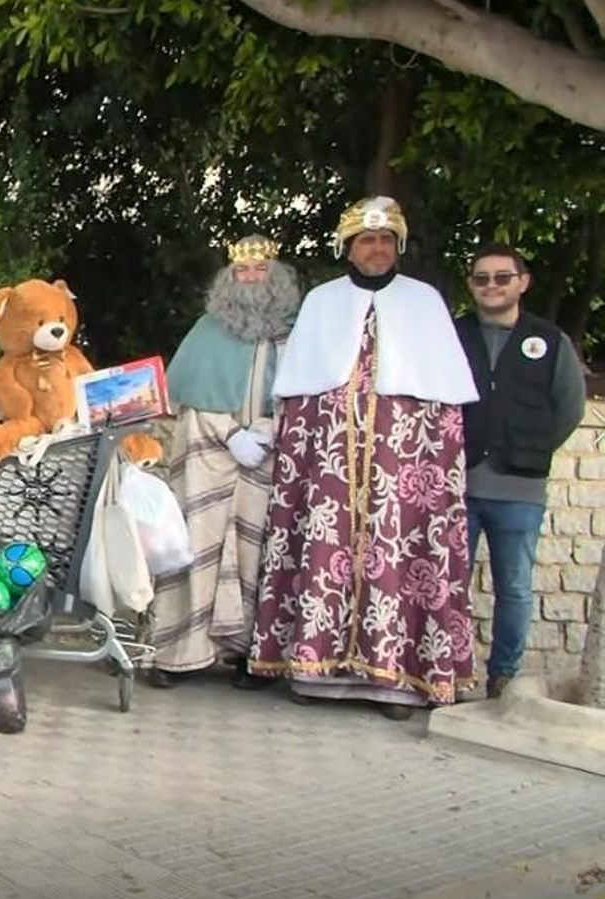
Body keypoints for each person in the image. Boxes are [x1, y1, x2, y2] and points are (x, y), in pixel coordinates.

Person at [247, 196, 480, 719]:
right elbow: (298, 396)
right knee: (320, 549)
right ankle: (313, 671)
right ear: (348, 248)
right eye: (366, 240)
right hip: (329, 465)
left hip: (402, 469)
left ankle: (395, 679)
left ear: (398, 246)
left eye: (385, 240)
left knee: (397, 560)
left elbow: (445, 409)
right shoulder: (322, 302)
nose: (376, 248)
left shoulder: (424, 302)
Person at [149, 234, 300, 689]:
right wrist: (231, 434)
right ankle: (178, 654)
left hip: (269, 456)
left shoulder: (295, 333)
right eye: (242, 270)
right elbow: (189, 398)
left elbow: (304, 398)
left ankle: (251, 656)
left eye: (260, 270)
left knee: (259, 554)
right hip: (209, 453)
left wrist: (266, 433)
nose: (250, 277)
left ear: (276, 276)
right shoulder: (207, 329)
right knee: (196, 547)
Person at [454, 243, 587, 698]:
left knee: (514, 587)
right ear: (471, 285)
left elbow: (569, 408)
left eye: (502, 277)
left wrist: (529, 450)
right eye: (482, 278)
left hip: (520, 490)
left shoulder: (549, 340)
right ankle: (447, 671)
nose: (491, 286)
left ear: (523, 282)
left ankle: (503, 675)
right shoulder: (453, 334)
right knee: (448, 586)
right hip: (457, 485)